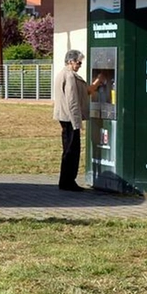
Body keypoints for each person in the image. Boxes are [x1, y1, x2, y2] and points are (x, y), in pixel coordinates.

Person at [53, 49, 103, 191]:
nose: (80, 65)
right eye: (78, 62)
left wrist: (98, 82)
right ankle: (68, 181)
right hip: (69, 118)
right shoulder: (69, 77)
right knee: (72, 150)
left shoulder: (67, 74)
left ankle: (66, 181)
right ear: (70, 61)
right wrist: (77, 123)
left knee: (69, 149)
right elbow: (72, 101)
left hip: (66, 116)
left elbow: (84, 92)